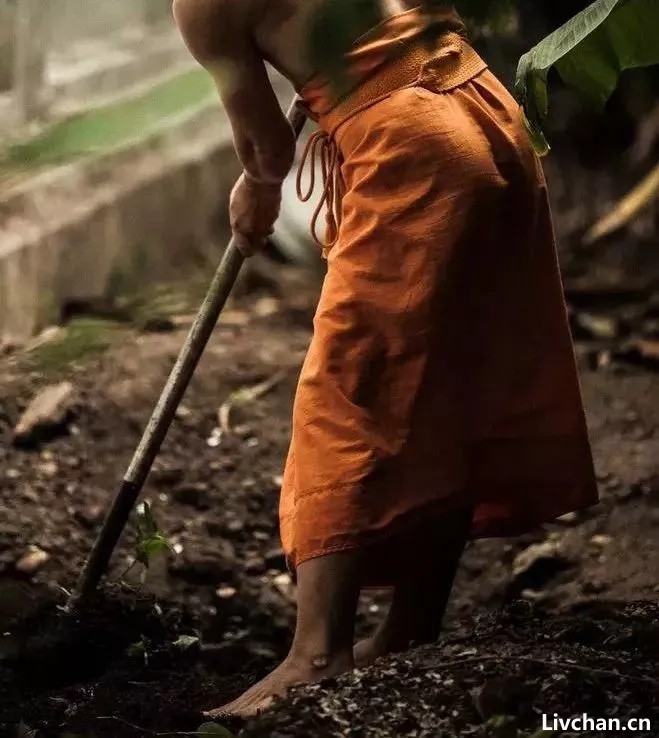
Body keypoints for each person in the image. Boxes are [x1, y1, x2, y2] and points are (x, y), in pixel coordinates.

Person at [173, 0, 598, 718]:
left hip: (416, 149)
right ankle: (409, 630)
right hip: (487, 112)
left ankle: (315, 655)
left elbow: (266, 150)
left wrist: (257, 187)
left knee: (350, 392)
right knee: (449, 377)